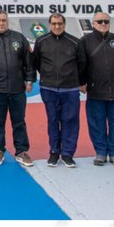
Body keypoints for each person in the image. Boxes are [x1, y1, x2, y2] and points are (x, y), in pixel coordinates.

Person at [0, 9, 33, 166]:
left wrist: (29, 80)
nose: (1, 23)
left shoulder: (19, 38)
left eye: (3, 20)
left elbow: (28, 62)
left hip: (17, 89)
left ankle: (21, 151)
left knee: (19, 121)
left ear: (7, 21)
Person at [31, 13, 85, 168]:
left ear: (64, 24)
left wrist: (80, 82)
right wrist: (47, 76)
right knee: (53, 120)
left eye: (60, 23)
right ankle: (54, 152)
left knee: (70, 120)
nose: (57, 26)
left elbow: (82, 64)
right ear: (49, 24)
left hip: (70, 89)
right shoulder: (41, 41)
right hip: (49, 89)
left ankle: (67, 154)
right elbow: (37, 63)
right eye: (54, 23)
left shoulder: (74, 42)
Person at [78, 12, 114, 167]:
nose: (103, 24)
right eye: (99, 21)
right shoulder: (85, 41)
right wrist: (82, 82)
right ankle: (100, 152)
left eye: (106, 21)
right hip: (95, 90)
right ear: (93, 23)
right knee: (96, 123)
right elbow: (81, 64)